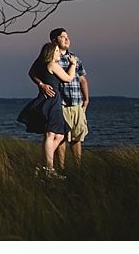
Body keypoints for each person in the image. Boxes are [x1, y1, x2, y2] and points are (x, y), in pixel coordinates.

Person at [30, 27, 89, 167]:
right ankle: (58, 167)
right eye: (63, 37)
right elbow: (32, 72)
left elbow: (82, 79)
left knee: (76, 137)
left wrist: (86, 99)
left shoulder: (75, 58)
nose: (67, 39)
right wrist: (41, 84)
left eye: (67, 36)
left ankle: (77, 168)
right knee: (59, 137)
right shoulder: (50, 59)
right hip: (59, 103)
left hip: (76, 102)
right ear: (54, 41)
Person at [16, 41, 77, 177]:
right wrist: (73, 63)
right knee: (51, 134)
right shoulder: (52, 65)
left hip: (51, 100)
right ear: (50, 53)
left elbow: (31, 73)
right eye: (56, 51)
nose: (58, 53)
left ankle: (44, 165)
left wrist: (41, 83)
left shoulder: (40, 65)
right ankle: (48, 168)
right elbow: (68, 78)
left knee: (60, 134)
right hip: (52, 100)